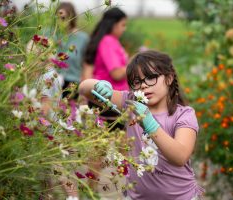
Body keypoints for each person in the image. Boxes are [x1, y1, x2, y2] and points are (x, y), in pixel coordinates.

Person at [79, 50, 205, 200]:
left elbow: (180, 156)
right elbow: (84, 88)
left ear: (169, 78)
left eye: (151, 78)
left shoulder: (184, 114)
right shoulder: (131, 103)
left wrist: (150, 124)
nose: (144, 86)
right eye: (137, 82)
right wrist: (100, 85)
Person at [82, 7, 129, 129]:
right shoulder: (108, 42)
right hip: (109, 98)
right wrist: (134, 65)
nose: (125, 29)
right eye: (123, 25)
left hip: (105, 97)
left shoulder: (110, 41)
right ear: (113, 24)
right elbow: (116, 73)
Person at [56, 2, 89, 100]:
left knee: (68, 112)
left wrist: (85, 89)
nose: (61, 21)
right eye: (58, 17)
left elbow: (87, 64)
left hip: (72, 83)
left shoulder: (82, 38)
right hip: (52, 81)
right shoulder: (52, 34)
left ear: (72, 18)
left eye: (64, 18)